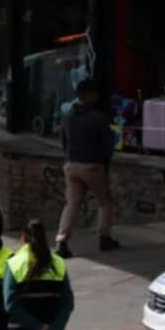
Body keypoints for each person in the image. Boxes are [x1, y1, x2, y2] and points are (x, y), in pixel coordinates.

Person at [54, 80, 120, 259]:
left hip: (71, 164)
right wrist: (105, 164)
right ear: (89, 95)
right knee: (104, 201)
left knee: (72, 203)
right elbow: (108, 145)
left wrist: (69, 157)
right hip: (92, 165)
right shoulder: (100, 118)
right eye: (95, 93)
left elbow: (63, 141)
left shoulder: (68, 116)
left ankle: (62, 241)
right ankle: (104, 237)